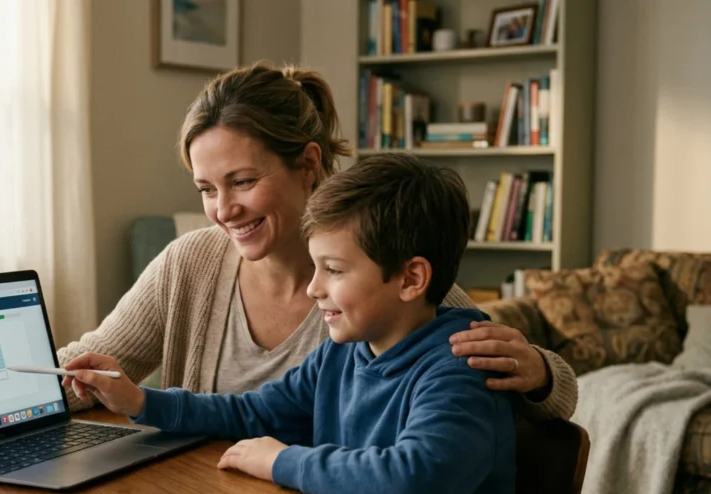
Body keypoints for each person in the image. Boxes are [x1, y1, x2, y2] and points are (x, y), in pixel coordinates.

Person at [57, 62, 577, 420]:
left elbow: (554, 388)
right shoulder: (188, 262)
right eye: (206, 189)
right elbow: (94, 366)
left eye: (241, 182)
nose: (223, 210)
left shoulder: (373, 274)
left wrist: (538, 372)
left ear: (307, 164)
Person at [63, 153, 518, 494]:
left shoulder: (461, 366)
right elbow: (256, 412)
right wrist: (143, 402)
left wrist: (279, 461)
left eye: (334, 270)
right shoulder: (343, 353)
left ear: (410, 279)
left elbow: (412, 482)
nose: (313, 287)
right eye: (316, 266)